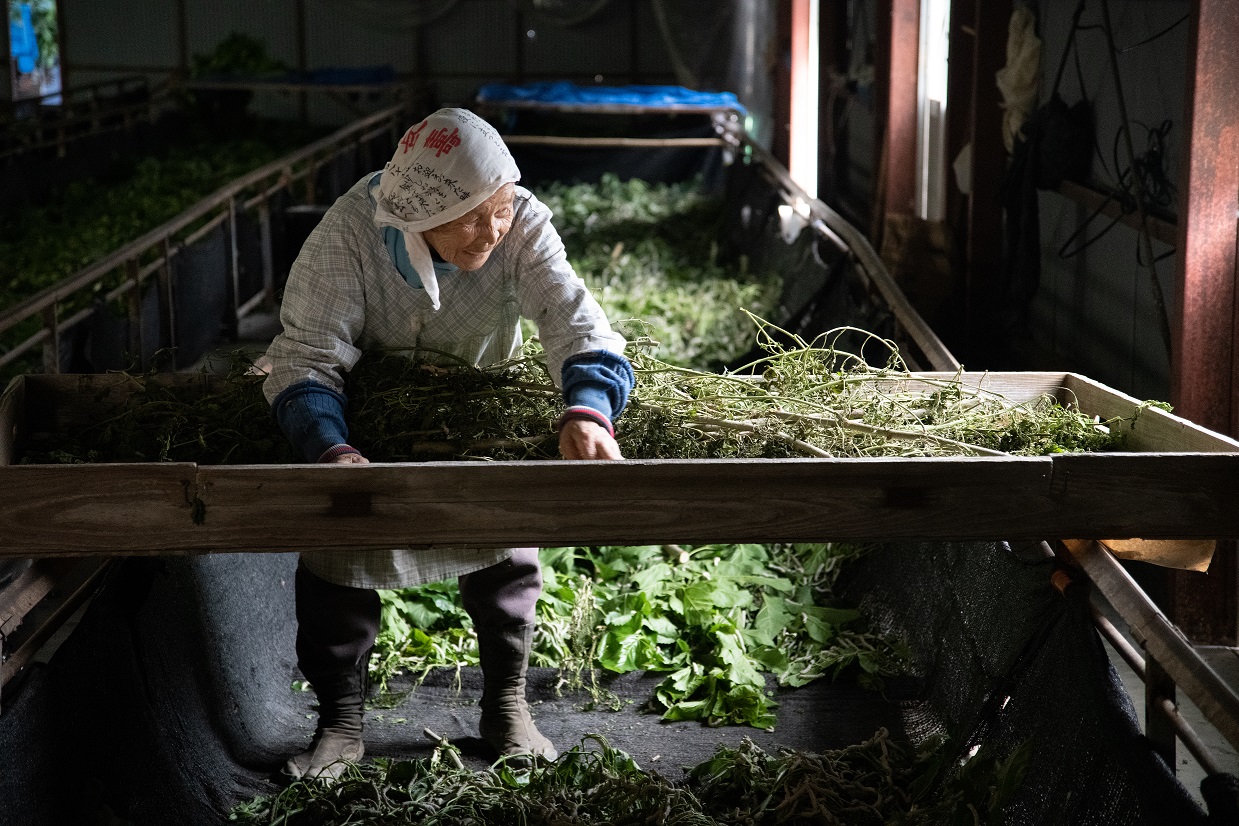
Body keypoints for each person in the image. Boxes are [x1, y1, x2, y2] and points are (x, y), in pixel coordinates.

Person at [261, 107, 634, 781]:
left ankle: (505, 705)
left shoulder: (518, 219)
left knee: (504, 557)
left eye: (497, 209)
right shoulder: (350, 232)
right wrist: (330, 449)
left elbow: (576, 323)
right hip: (367, 416)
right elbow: (309, 357)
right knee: (338, 560)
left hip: (477, 408)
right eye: (470, 216)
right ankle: (340, 723)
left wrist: (586, 409)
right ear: (416, 215)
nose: (491, 228)